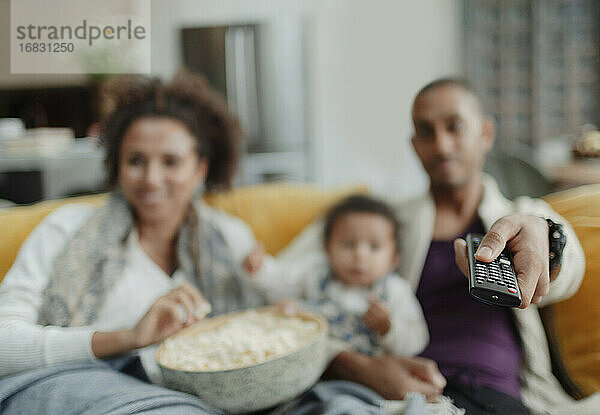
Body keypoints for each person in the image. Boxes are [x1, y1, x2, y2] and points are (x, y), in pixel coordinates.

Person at [0, 72, 391, 415]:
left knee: (346, 404)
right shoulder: (67, 230)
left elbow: (282, 310)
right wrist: (127, 338)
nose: (152, 179)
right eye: (136, 160)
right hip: (94, 390)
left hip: (218, 399)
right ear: (117, 166)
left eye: (170, 162)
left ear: (200, 168)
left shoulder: (229, 237)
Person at [280, 78, 598, 414]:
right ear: (415, 144)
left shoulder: (524, 216)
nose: (442, 145)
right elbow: (285, 279)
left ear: (485, 134)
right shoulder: (375, 219)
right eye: (427, 132)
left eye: (455, 127)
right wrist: (352, 365)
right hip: (394, 397)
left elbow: (569, 268)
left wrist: (546, 246)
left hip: (493, 397)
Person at [244, 195, 429, 358]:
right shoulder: (316, 272)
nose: (360, 255)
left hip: (371, 377)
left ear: (394, 258)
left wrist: (388, 327)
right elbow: (281, 282)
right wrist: (261, 269)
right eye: (348, 244)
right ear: (327, 248)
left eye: (374, 247)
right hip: (315, 369)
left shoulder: (395, 291)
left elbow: (417, 339)